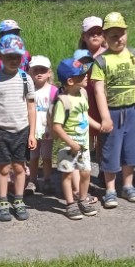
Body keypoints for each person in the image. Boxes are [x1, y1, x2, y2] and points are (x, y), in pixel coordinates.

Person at [89, 11, 135, 208]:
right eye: (113, 35)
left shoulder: (133, 54)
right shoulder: (101, 61)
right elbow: (98, 90)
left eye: (121, 34)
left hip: (132, 110)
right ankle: (110, 189)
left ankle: (128, 185)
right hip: (112, 112)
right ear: (104, 37)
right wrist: (105, 117)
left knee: (131, 149)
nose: (118, 39)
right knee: (110, 151)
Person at [0, 34, 37, 222]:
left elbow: (31, 107)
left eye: (17, 56)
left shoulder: (25, 79)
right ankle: (3, 201)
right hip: (2, 131)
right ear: (0, 56)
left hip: (22, 130)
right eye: (9, 56)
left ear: (22, 57)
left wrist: (32, 133)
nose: (14, 60)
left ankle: (19, 200)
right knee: (3, 168)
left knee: (19, 167)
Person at [52, 57, 101, 220]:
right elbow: (57, 126)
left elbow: (84, 116)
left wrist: (98, 126)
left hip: (83, 145)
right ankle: (70, 204)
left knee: (86, 173)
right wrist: (71, 143)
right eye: (82, 74)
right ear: (70, 81)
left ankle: (82, 199)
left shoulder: (83, 94)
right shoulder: (63, 101)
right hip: (68, 146)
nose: (86, 76)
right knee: (67, 174)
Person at [78, 16, 107, 167]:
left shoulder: (108, 54)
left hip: (103, 98)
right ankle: (84, 166)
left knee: (103, 132)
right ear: (84, 36)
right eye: (91, 33)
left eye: (99, 32)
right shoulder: (81, 57)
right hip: (87, 97)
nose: (95, 35)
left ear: (104, 35)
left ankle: (103, 166)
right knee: (87, 131)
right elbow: (75, 74)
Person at [27, 55, 56, 195]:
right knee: (33, 156)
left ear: (49, 72)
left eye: (42, 70)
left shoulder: (53, 90)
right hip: (32, 130)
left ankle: (47, 179)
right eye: (35, 70)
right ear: (30, 72)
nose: (39, 73)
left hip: (47, 129)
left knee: (46, 156)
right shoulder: (29, 90)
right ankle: (32, 180)